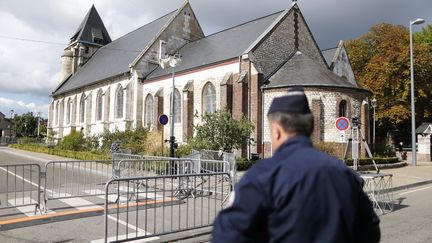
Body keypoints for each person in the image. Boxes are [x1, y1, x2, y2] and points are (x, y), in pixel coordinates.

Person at [211, 87, 380, 243]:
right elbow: (370, 232)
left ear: (277, 131)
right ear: (310, 128)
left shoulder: (263, 175)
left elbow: (227, 236)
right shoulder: (344, 174)